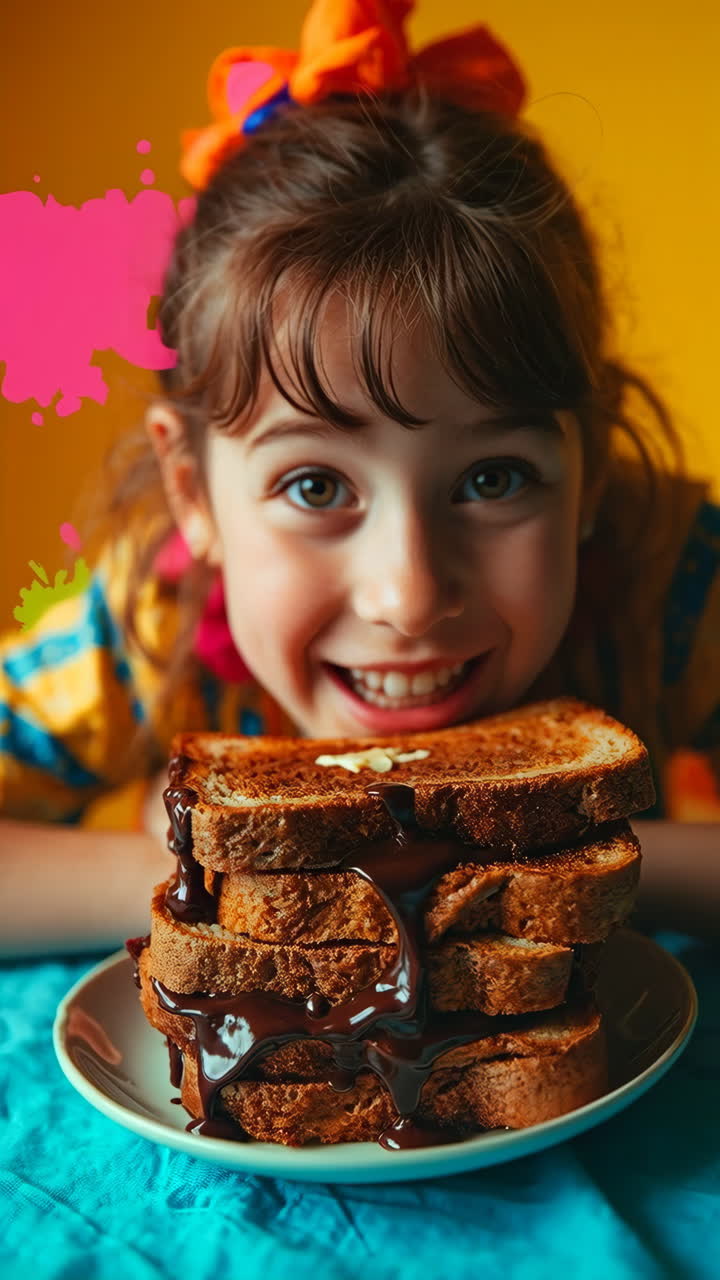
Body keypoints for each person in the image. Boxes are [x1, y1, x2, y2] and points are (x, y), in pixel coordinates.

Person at [1, 0, 718, 952]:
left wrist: (585, 863)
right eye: (315, 487)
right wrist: (230, 879)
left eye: (494, 479)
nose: (409, 596)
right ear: (193, 492)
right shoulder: (146, 626)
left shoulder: (674, 579)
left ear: (589, 476)